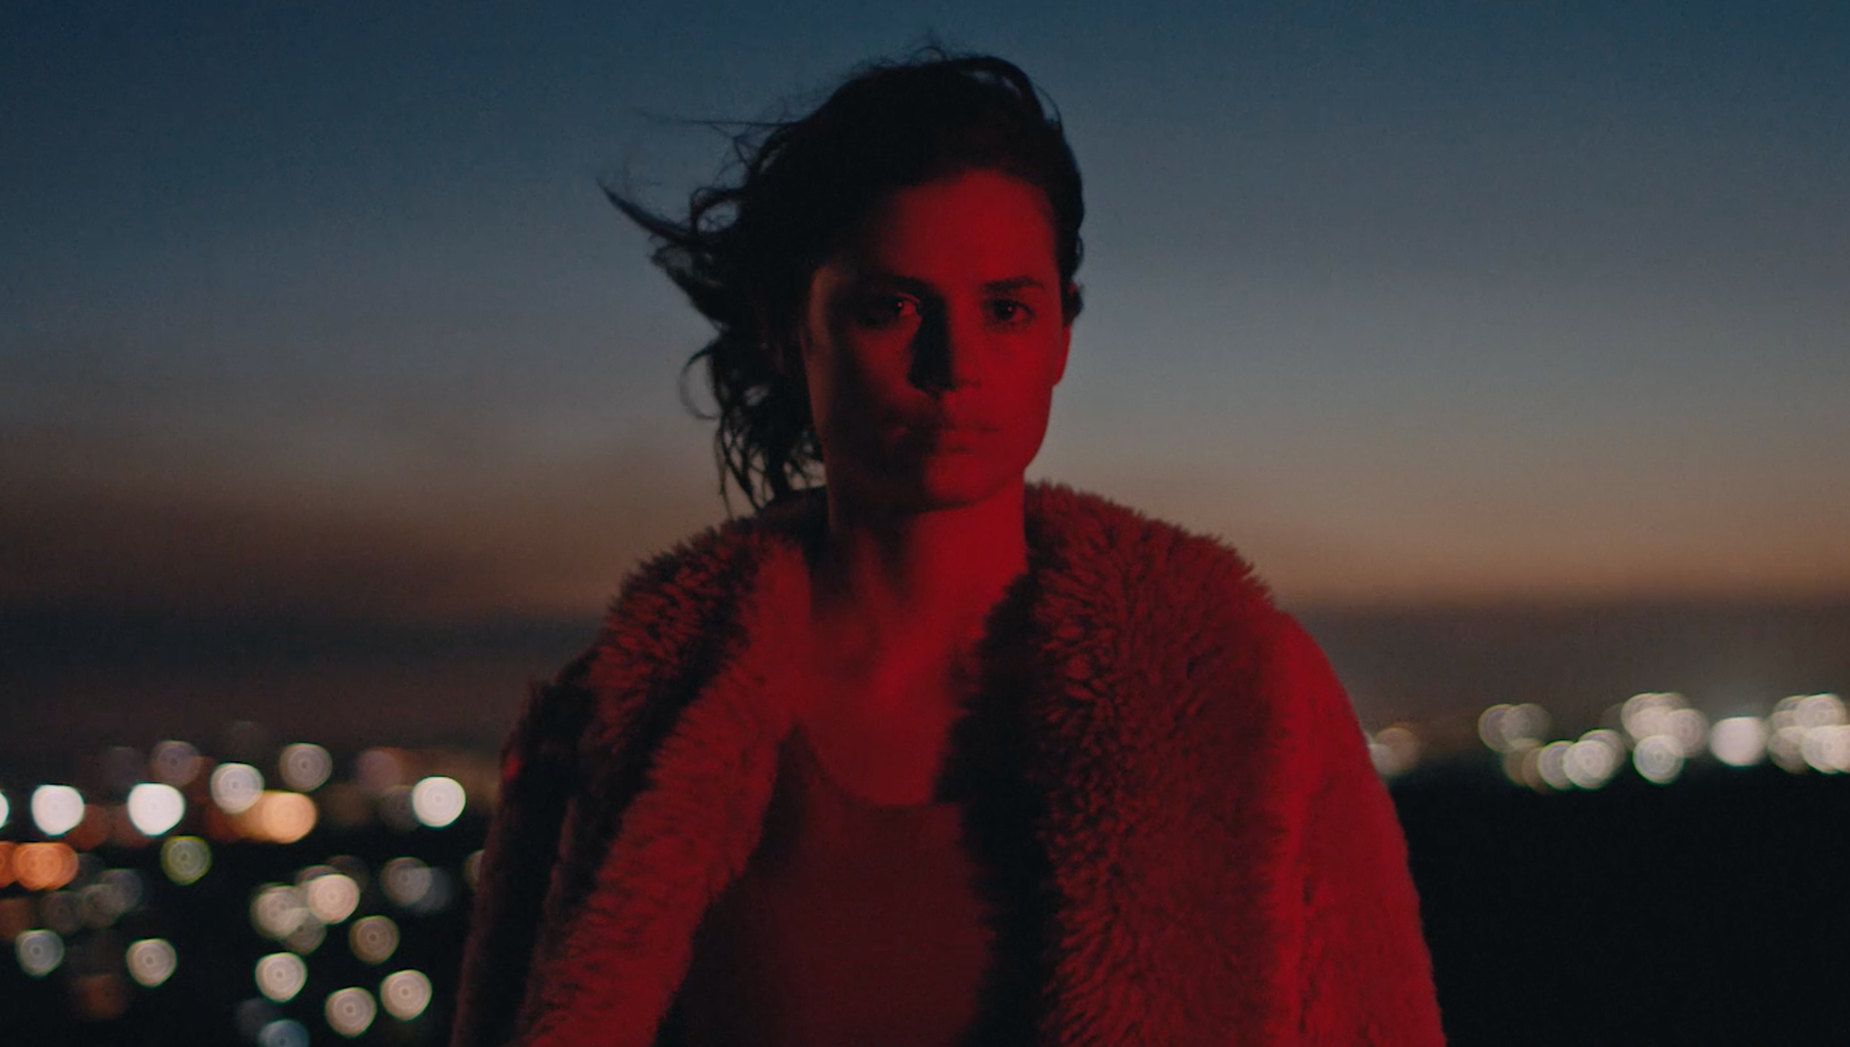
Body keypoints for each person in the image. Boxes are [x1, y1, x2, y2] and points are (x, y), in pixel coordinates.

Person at [451, 48, 1444, 1047]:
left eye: (1006, 309)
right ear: (787, 332)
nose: (954, 365)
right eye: (890, 308)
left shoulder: (1245, 688)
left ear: (1060, 336)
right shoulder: (634, 712)